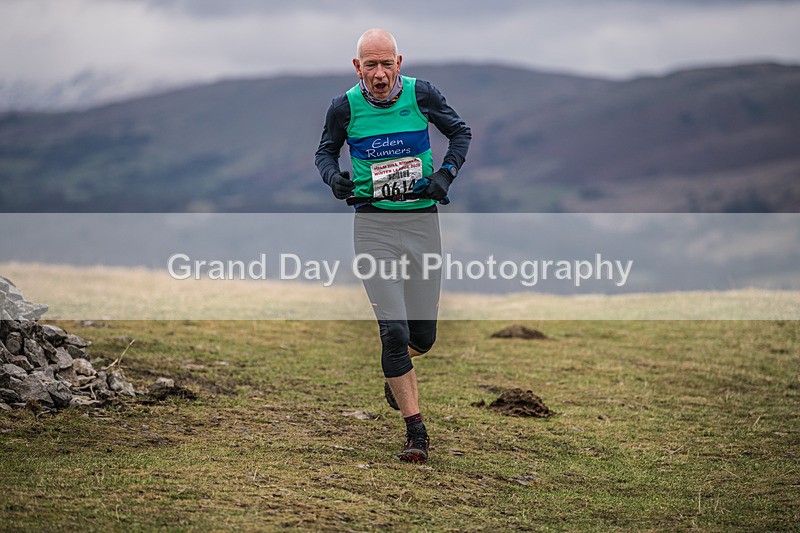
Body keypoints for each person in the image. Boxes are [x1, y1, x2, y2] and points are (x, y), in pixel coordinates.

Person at [315, 28, 471, 463]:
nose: (380, 74)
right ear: (357, 67)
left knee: (423, 337)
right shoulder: (344, 107)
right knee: (394, 332)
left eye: (387, 64)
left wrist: (444, 176)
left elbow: (461, 134)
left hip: (422, 223)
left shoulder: (422, 94)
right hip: (373, 226)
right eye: (371, 65)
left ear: (399, 62)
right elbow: (324, 153)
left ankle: (394, 371)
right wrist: (333, 178)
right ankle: (416, 432)